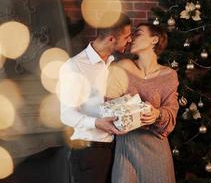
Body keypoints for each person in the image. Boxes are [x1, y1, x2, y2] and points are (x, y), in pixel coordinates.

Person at [59, 14, 132, 183]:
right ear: (112, 39)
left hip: (115, 150)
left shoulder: (114, 63)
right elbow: (66, 114)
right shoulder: (74, 66)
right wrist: (97, 123)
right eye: (127, 37)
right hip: (88, 152)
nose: (130, 40)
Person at [111, 23, 179, 183]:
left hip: (157, 150)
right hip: (127, 147)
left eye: (139, 34)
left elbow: (170, 117)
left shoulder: (168, 75)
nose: (132, 38)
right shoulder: (121, 67)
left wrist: (157, 114)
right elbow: (111, 107)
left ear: (154, 39)